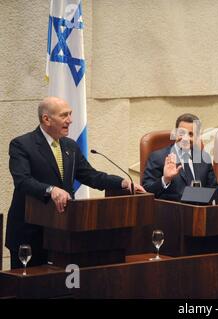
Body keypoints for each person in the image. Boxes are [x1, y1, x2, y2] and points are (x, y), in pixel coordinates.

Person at [6, 97, 145, 269]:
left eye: (70, 114)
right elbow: (22, 180)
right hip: (30, 232)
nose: (70, 120)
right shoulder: (22, 144)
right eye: (64, 115)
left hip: (61, 233)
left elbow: (90, 176)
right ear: (46, 119)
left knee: (60, 288)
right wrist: (50, 190)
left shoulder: (70, 146)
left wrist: (122, 183)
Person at [142, 113, 218, 202]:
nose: (185, 138)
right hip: (172, 214)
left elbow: (214, 188)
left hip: (200, 214)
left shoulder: (203, 158)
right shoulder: (158, 157)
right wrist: (165, 179)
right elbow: (146, 190)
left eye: (191, 134)